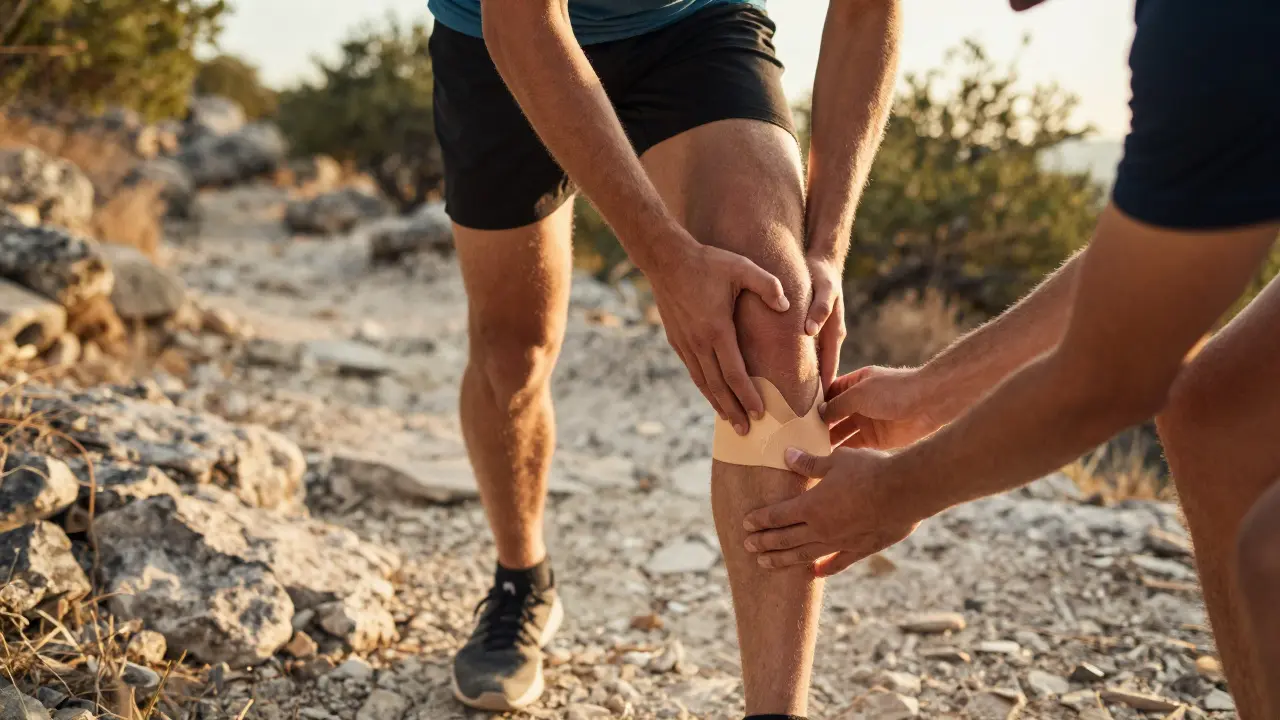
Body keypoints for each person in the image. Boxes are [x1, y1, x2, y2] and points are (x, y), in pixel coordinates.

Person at [740, 0, 1280, 716]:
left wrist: (892, 494)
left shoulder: (1213, 25)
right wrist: (929, 395)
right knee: (1214, 412)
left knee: (1271, 552)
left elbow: (1110, 382)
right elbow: (1150, 268)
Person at [424, 0, 899, 716]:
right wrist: (665, 262)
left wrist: (827, 246)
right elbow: (521, 21)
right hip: (502, 34)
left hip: (693, 24)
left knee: (777, 314)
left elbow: (869, 11)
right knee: (512, 356)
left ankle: (776, 710)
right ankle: (522, 579)